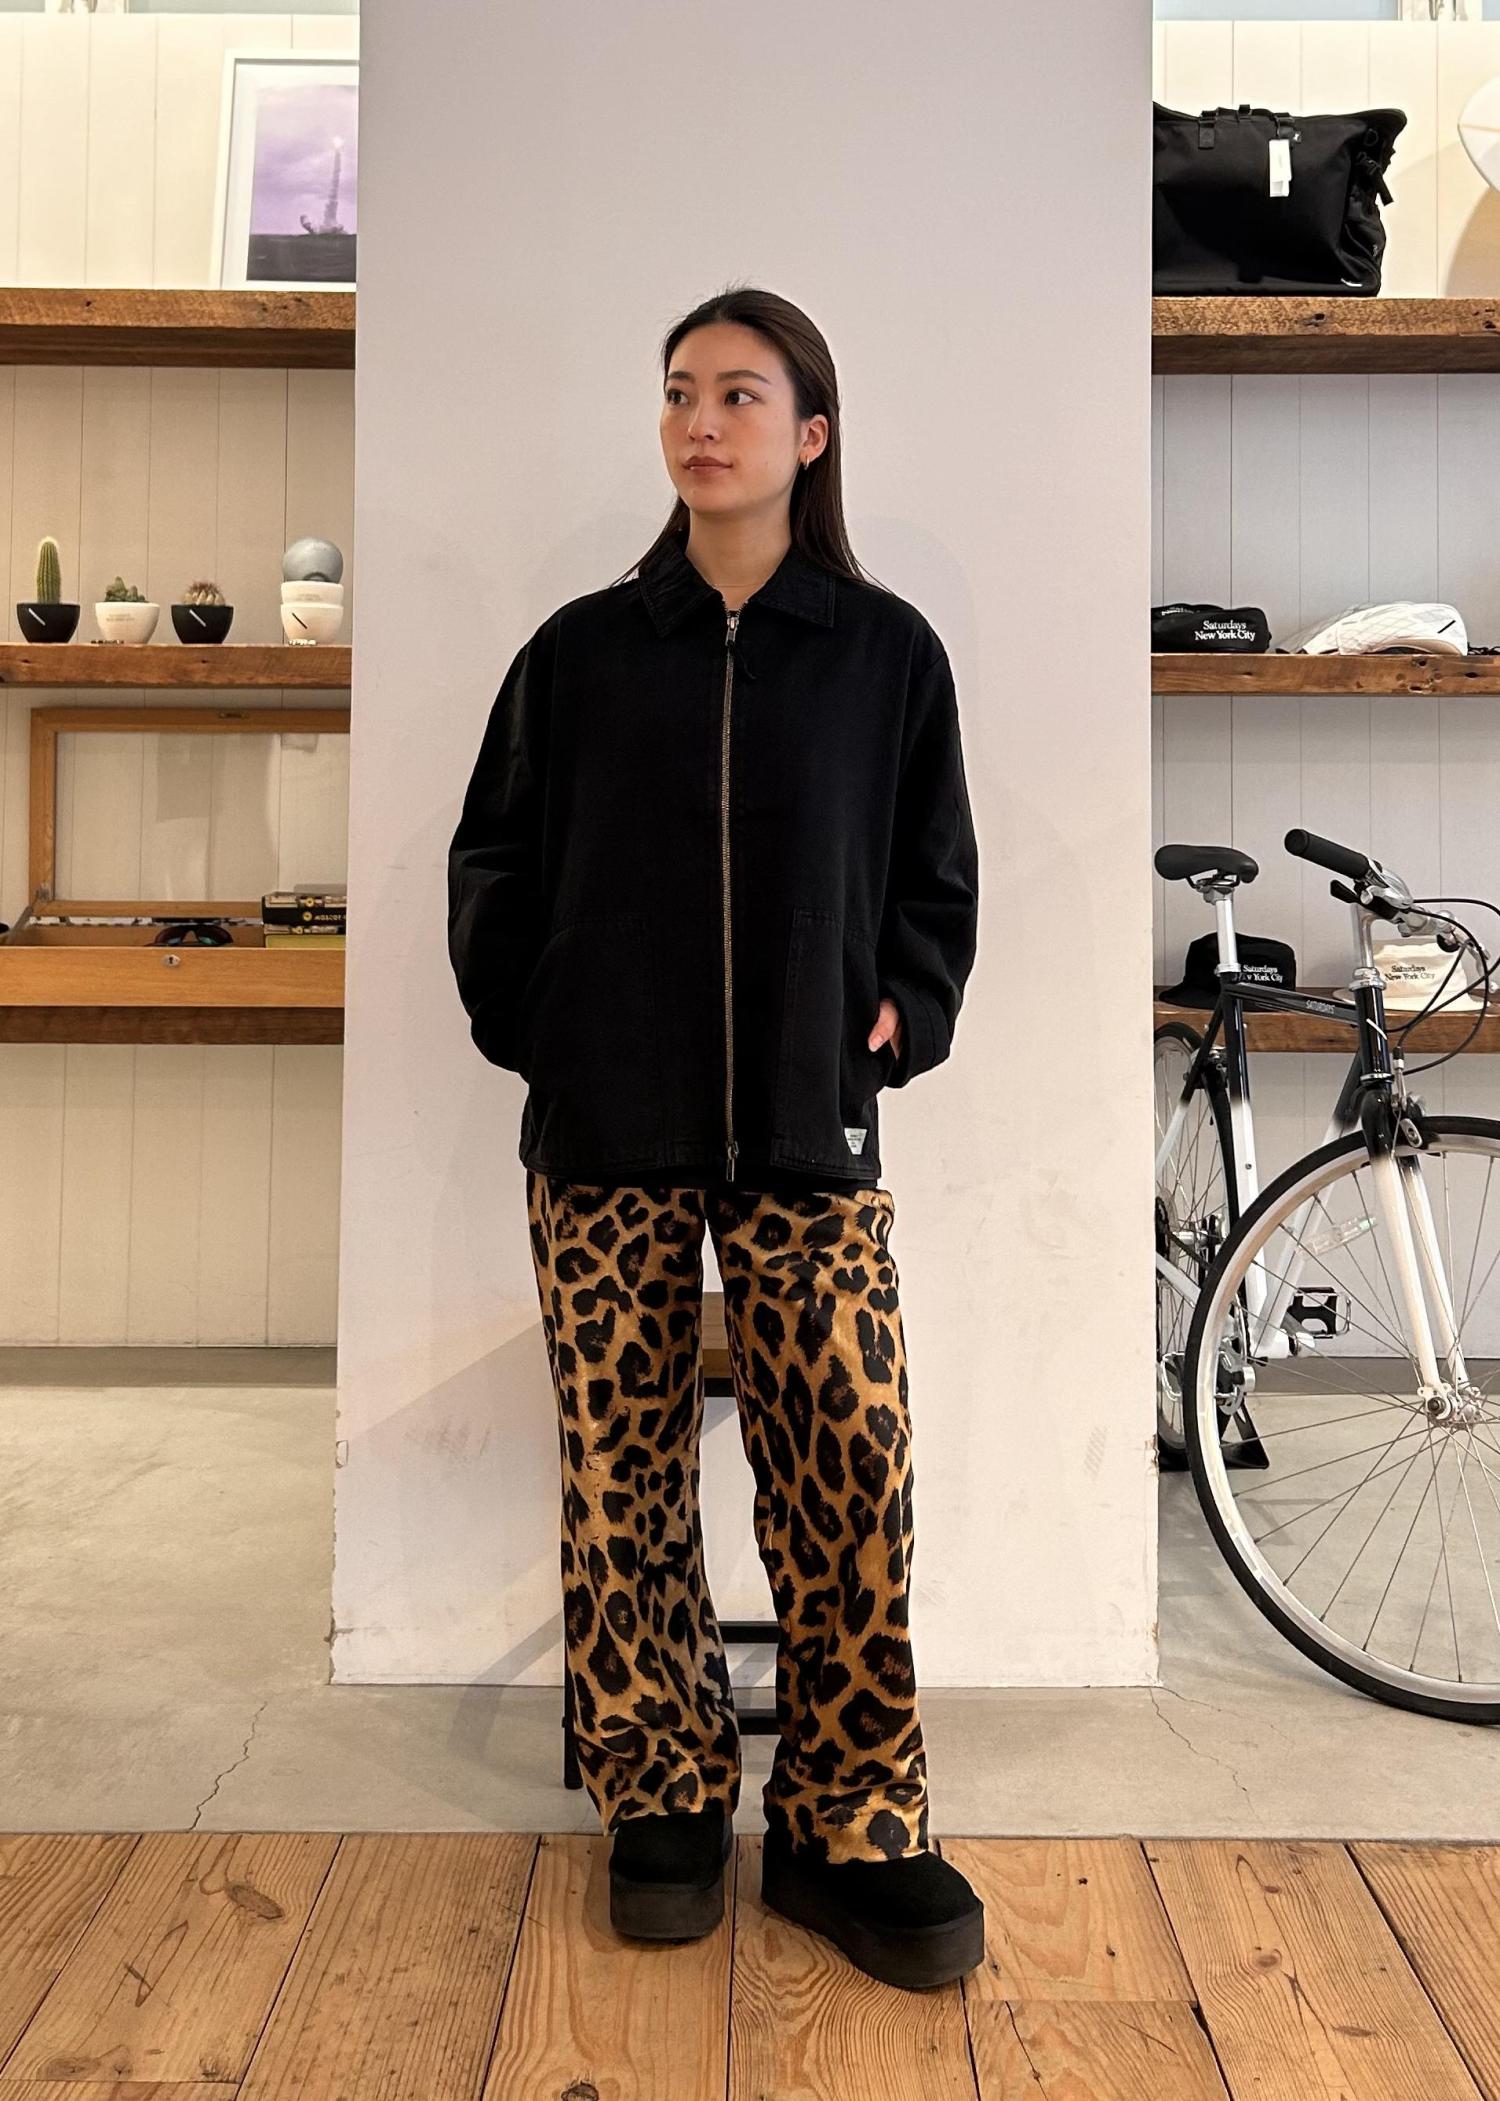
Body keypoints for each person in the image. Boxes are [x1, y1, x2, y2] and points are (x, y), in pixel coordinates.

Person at [447, 284, 981, 1991]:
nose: (701, 421)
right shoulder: (583, 653)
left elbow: (934, 878)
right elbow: (494, 861)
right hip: (608, 1125)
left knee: (850, 1463)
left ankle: (850, 1816)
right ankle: (663, 1789)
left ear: (810, 434)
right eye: (681, 390)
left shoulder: (886, 654)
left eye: (740, 393)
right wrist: (543, 1022)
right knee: (621, 1470)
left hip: (808, 1124)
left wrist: (901, 1003)